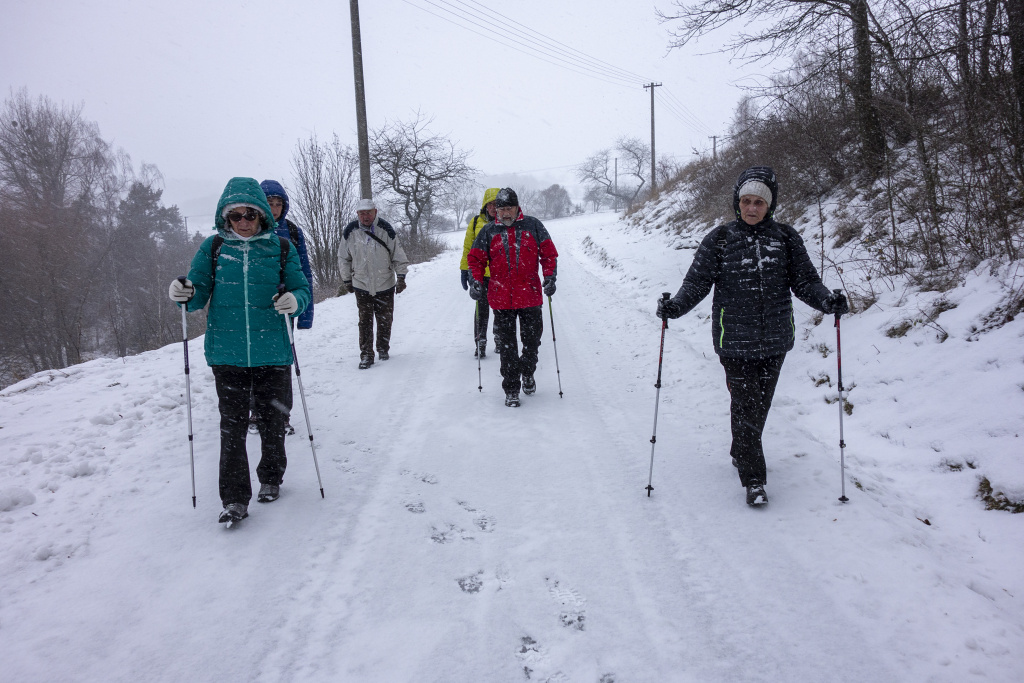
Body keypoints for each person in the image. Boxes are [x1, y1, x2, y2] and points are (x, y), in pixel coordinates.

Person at [656, 166, 849, 506]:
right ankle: (754, 479)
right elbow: (697, 283)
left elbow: (805, 282)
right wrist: (675, 307)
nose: (751, 208)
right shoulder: (719, 239)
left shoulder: (786, 238)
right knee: (747, 407)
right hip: (734, 341)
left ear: (769, 205)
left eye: (759, 202)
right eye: (746, 201)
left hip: (775, 340)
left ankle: (739, 450)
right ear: (737, 202)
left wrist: (826, 301)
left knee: (759, 407)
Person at [168, 177, 311, 524]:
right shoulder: (214, 248)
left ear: (262, 215)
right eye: (236, 216)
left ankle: (271, 477)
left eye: (250, 214)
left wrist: (295, 301)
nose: (244, 221)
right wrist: (182, 294)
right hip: (227, 355)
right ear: (225, 218)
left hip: (272, 353)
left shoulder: (280, 248)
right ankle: (234, 499)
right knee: (231, 428)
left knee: (273, 421)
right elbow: (197, 294)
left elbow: (301, 287)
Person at [467, 188, 558, 407]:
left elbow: (548, 254)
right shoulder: (488, 231)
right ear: (495, 210)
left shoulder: (533, 225)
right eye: (501, 209)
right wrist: (476, 281)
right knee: (507, 347)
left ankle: (527, 372)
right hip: (501, 299)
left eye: (509, 209)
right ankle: (511, 388)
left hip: (530, 297)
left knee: (532, 342)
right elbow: (476, 259)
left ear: (517, 208)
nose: (505, 213)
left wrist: (550, 277)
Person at [241, 179, 313, 437]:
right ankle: (256, 411)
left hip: (284, 307)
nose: (274, 209)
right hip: (252, 309)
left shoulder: (292, 232)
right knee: (252, 362)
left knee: (281, 363)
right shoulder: (249, 230)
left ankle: (281, 415)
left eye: (278, 204)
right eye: (269, 203)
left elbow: (304, 273)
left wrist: (304, 312)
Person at [339, 198, 410, 369]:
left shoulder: (386, 230)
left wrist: (401, 277)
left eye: (368, 213)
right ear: (357, 214)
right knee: (364, 321)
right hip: (361, 284)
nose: (365, 217)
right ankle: (366, 355)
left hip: (385, 283)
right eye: (362, 213)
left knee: (385, 319)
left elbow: (398, 254)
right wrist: (347, 279)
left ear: (375, 212)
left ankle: (383, 348)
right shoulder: (350, 231)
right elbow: (343, 257)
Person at [460, 187, 500, 358]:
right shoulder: (476, 222)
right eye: (489, 204)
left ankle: (501, 339)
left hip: (500, 275)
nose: (493, 207)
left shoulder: (505, 222)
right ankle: (480, 342)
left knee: (501, 310)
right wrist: (464, 269)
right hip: (481, 275)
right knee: (481, 310)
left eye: (496, 204)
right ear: (485, 205)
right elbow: (468, 248)